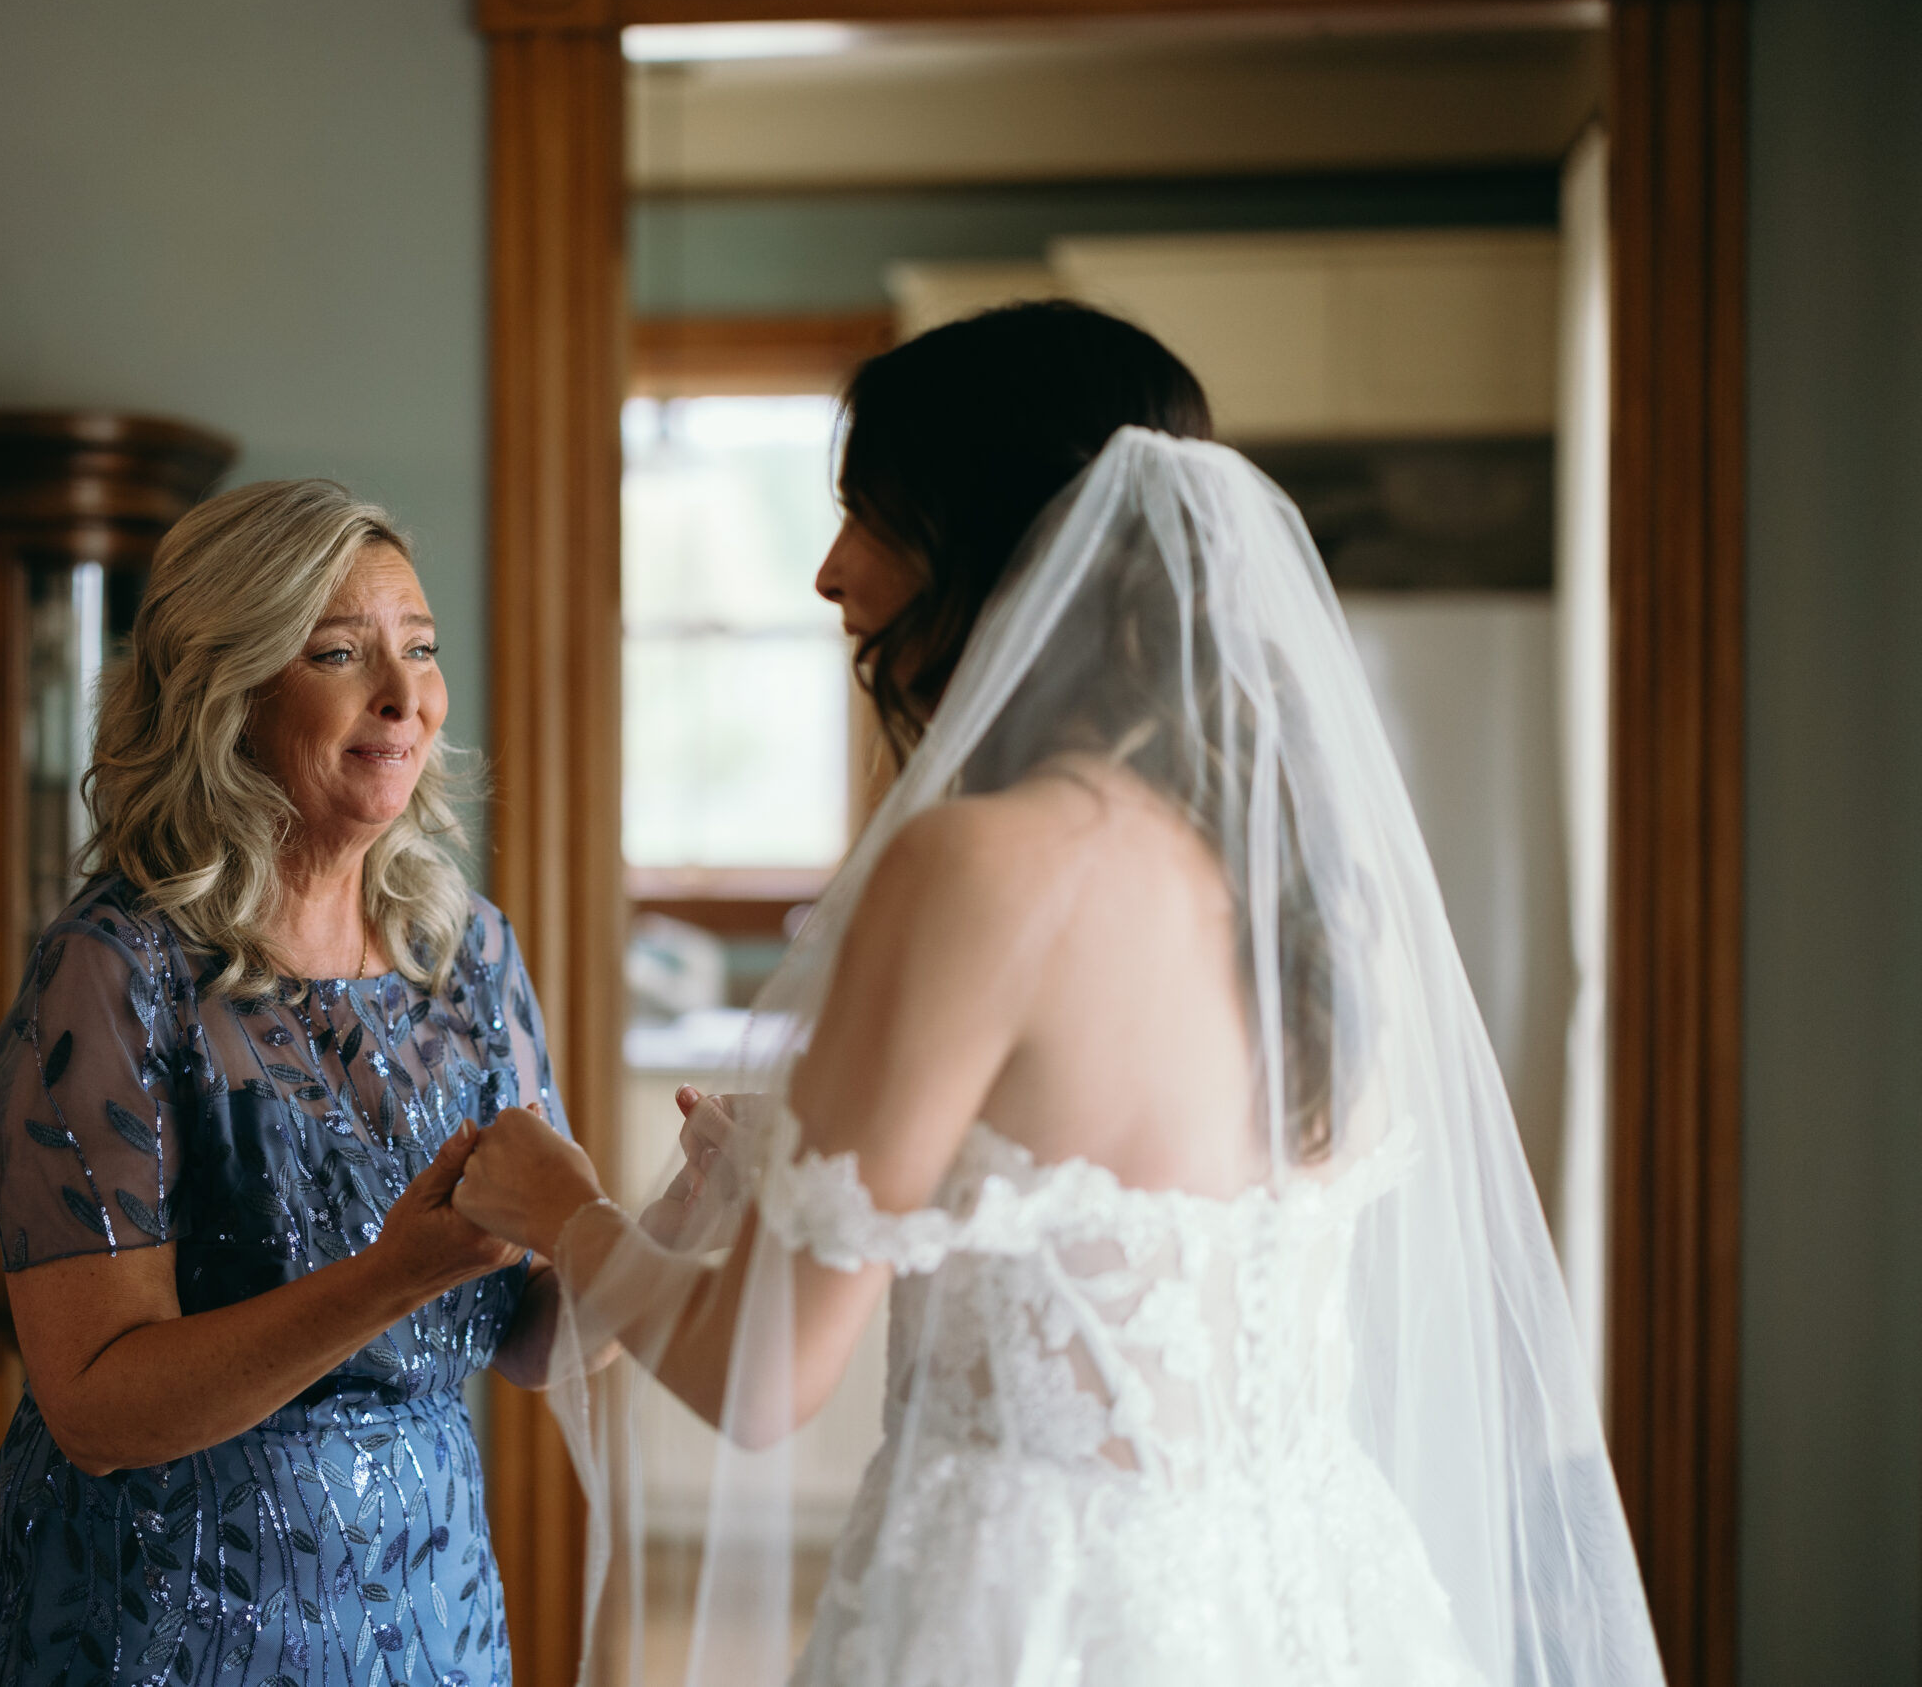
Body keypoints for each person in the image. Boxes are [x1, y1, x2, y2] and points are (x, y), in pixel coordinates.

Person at [454, 302, 1663, 1685]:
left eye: (870, 515)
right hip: (1302, 1607)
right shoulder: (1306, 880)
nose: (829, 573)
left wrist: (559, 1203)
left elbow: (758, 1373)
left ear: (988, 539)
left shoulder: (979, 864)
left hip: (1035, 1622)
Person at [0, 479, 566, 1687]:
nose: (406, 698)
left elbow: (534, 1343)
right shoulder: (115, 970)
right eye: (341, 654)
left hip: (429, 1612)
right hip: (175, 1620)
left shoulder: (470, 953)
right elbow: (91, 1406)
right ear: (223, 694)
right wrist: (393, 1276)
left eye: (422, 649)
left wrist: (667, 1234)